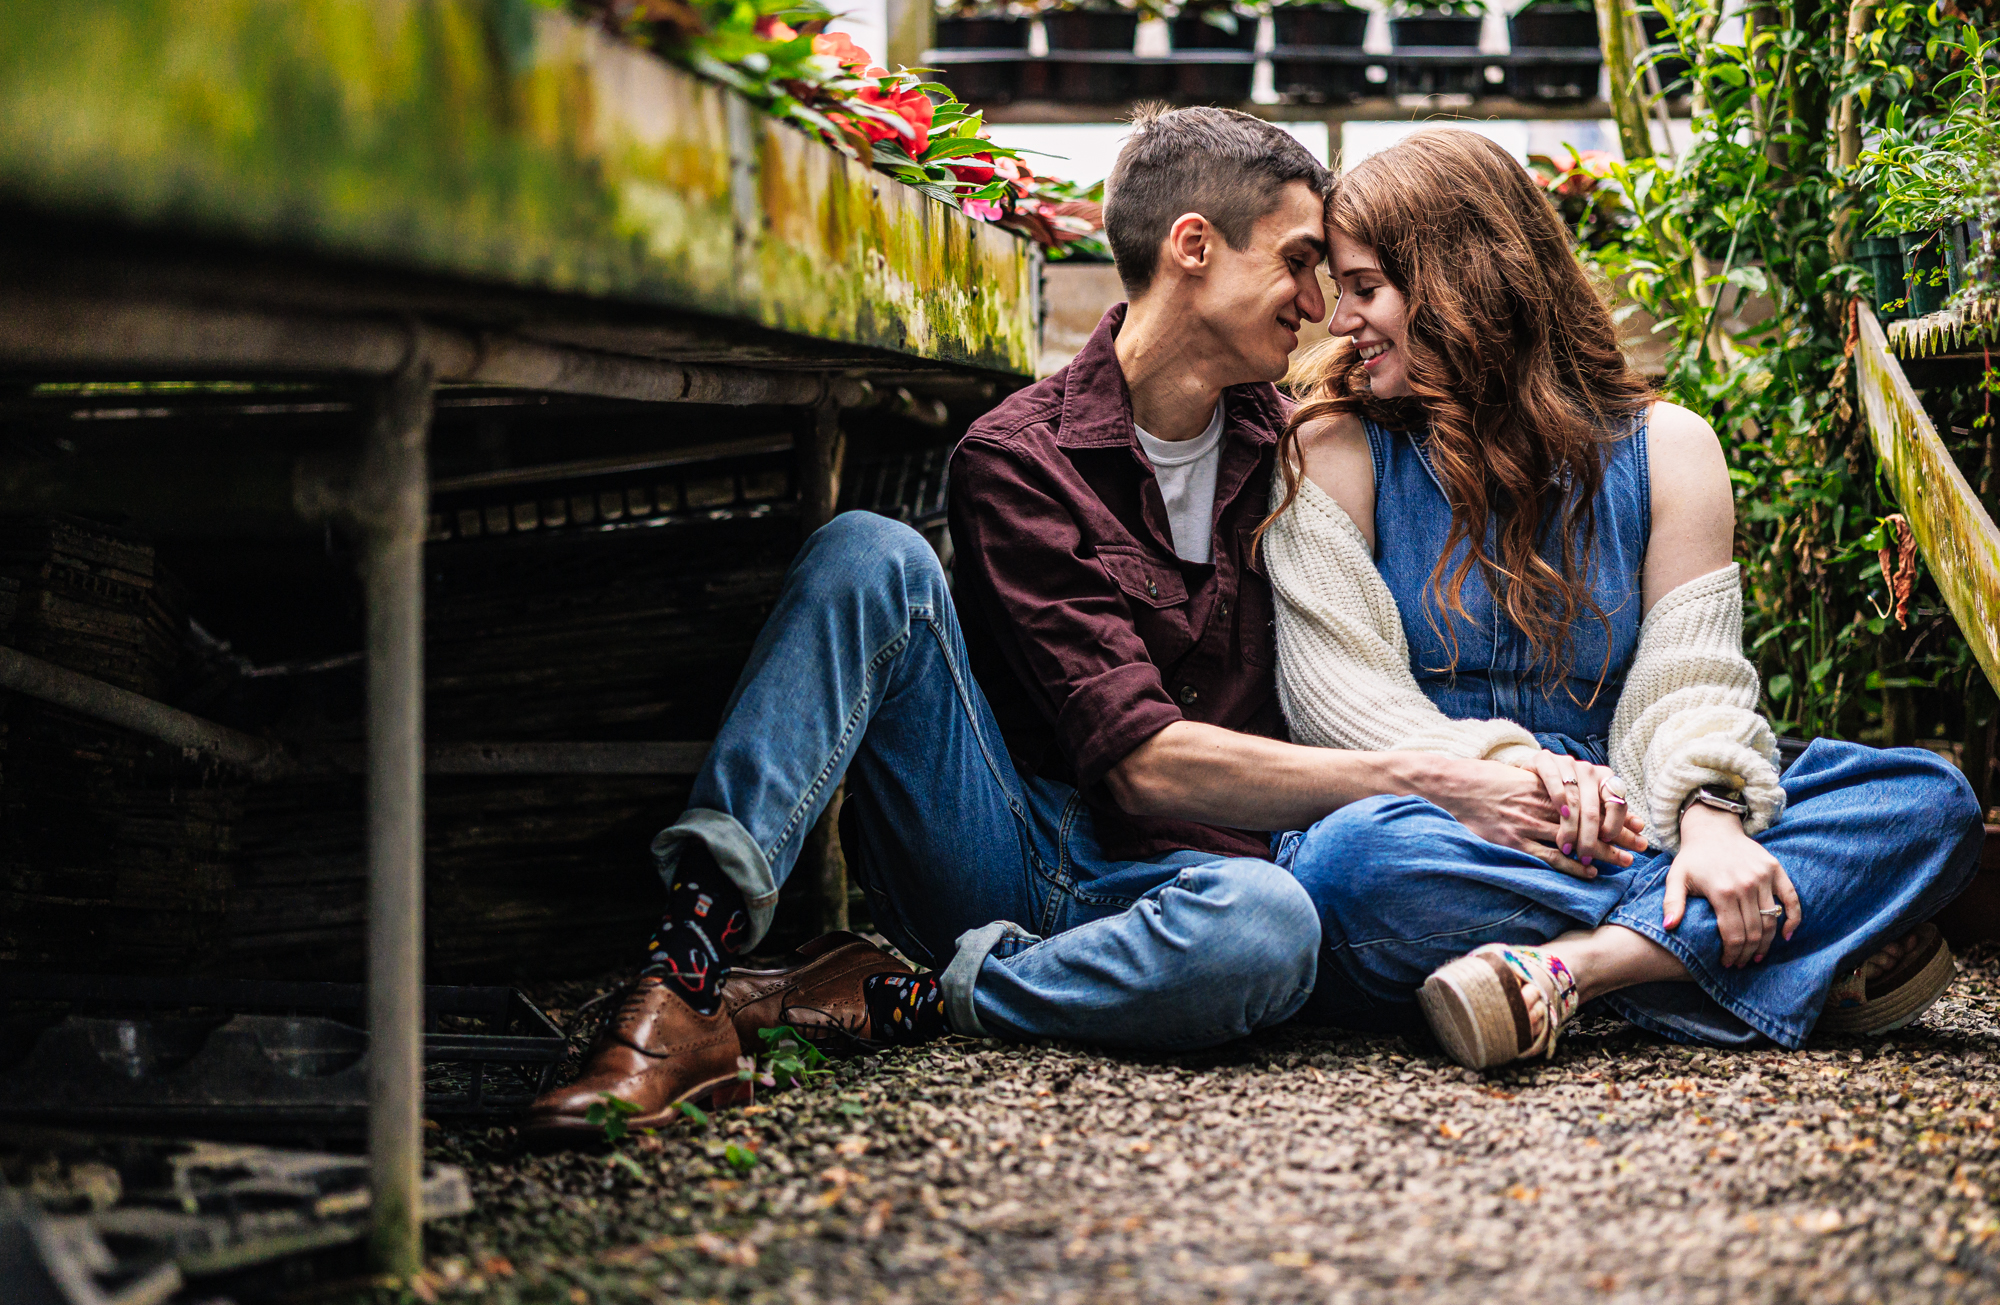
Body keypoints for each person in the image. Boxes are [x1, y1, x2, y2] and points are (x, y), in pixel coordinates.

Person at [524, 109, 1608, 1143]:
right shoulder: (1016, 458)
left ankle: (898, 999)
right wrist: (1419, 775)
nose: (1320, 303)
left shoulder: (1298, 451)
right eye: (1295, 261)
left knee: (1268, 926)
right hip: (1008, 849)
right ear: (1192, 246)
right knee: (872, 553)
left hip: (1201, 886)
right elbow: (1137, 770)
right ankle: (685, 982)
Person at [1258, 127, 1984, 1069]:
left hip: (1638, 799)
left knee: (1927, 802)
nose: (1339, 321)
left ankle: (1576, 972)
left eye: (1366, 288)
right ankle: (1748, 947)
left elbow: (1689, 684)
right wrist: (1525, 779)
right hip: (1443, 821)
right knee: (1345, 869)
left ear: (1463, 279)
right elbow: (1342, 703)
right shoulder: (1335, 450)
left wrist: (1710, 822)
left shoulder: (1669, 447)